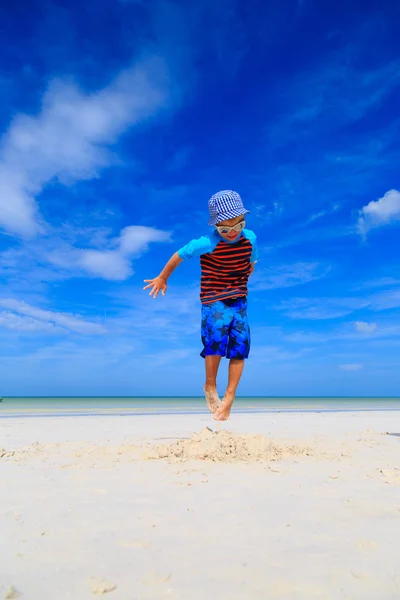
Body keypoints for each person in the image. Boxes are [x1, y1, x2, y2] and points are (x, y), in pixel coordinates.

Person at [143, 190, 258, 421]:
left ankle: (230, 396)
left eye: (238, 225)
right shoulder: (206, 243)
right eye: (225, 229)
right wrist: (163, 277)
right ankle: (210, 386)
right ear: (216, 226)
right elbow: (179, 255)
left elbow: (251, 261)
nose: (232, 233)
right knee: (216, 338)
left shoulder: (250, 238)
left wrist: (242, 277)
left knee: (241, 346)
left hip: (238, 299)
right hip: (213, 297)